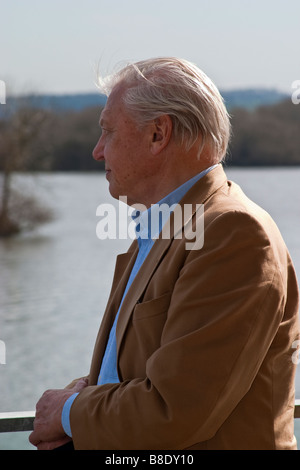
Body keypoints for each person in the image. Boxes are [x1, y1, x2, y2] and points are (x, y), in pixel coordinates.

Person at [29, 57, 299, 450]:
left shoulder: (233, 233)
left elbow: (176, 408)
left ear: (159, 134)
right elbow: (145, 374)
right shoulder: (167, 227)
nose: (97, 151)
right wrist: (85, 396)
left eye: (107, 132)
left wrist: (70, 412)